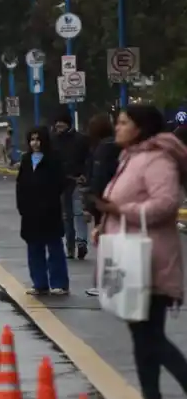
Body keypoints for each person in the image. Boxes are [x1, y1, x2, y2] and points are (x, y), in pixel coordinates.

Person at [94, 104, 187, 399]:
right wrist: (104, 221)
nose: (116, 128)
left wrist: (121, 210)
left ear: (140, 127)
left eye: (123, 122)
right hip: (130, 260)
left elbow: (166, 203)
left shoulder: (157, 160)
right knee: (142, 336)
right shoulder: (131, 158)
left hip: (152, 262)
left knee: (151, 337)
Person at [16, 127, 69, 296]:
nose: (35, 143)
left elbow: (60, 183)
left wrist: (49, 200)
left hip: (50, 211)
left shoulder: (54, 159)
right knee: (34, 249)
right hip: (30, 213)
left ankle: (59, 283)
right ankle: (39, 283)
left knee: (54, 248)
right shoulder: (25, 160)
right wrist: (23, 207)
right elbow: (20, 185)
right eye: (32, 139)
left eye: (38, 139)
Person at [83, 113, 120, 297]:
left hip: (103, 204)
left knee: (103, 242)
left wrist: (90, 205)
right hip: (117, 200)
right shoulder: (119, 147)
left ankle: (102, 283)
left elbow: (98, 178)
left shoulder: (102, 149)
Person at [51, 108, 91, 260]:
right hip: (60, 183)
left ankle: (81, 242)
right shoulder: (53, 140)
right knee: (66, 216)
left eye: (61, 125)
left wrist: (85, 175)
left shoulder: (81, 140)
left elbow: (88, 159)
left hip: (77, 181)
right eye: (57, 125)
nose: (59, 128)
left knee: (79, 213)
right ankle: (70, 246)